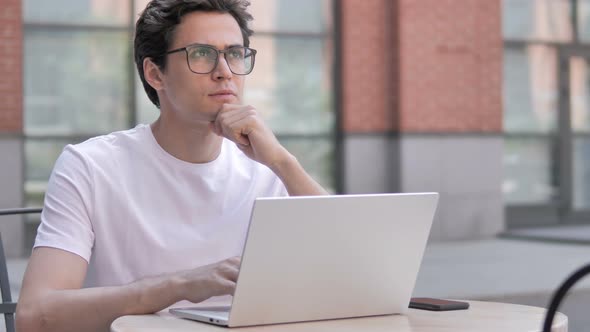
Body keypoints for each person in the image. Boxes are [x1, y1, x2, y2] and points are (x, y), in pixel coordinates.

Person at [16, 0, 327, 331]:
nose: (224, 71)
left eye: (235, 54)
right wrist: (178, 286)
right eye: (202, 54)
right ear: (155, 73)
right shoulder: (90, 167)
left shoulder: (268, 167)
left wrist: (282, 161)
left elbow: (354, 273)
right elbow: (35, 316)